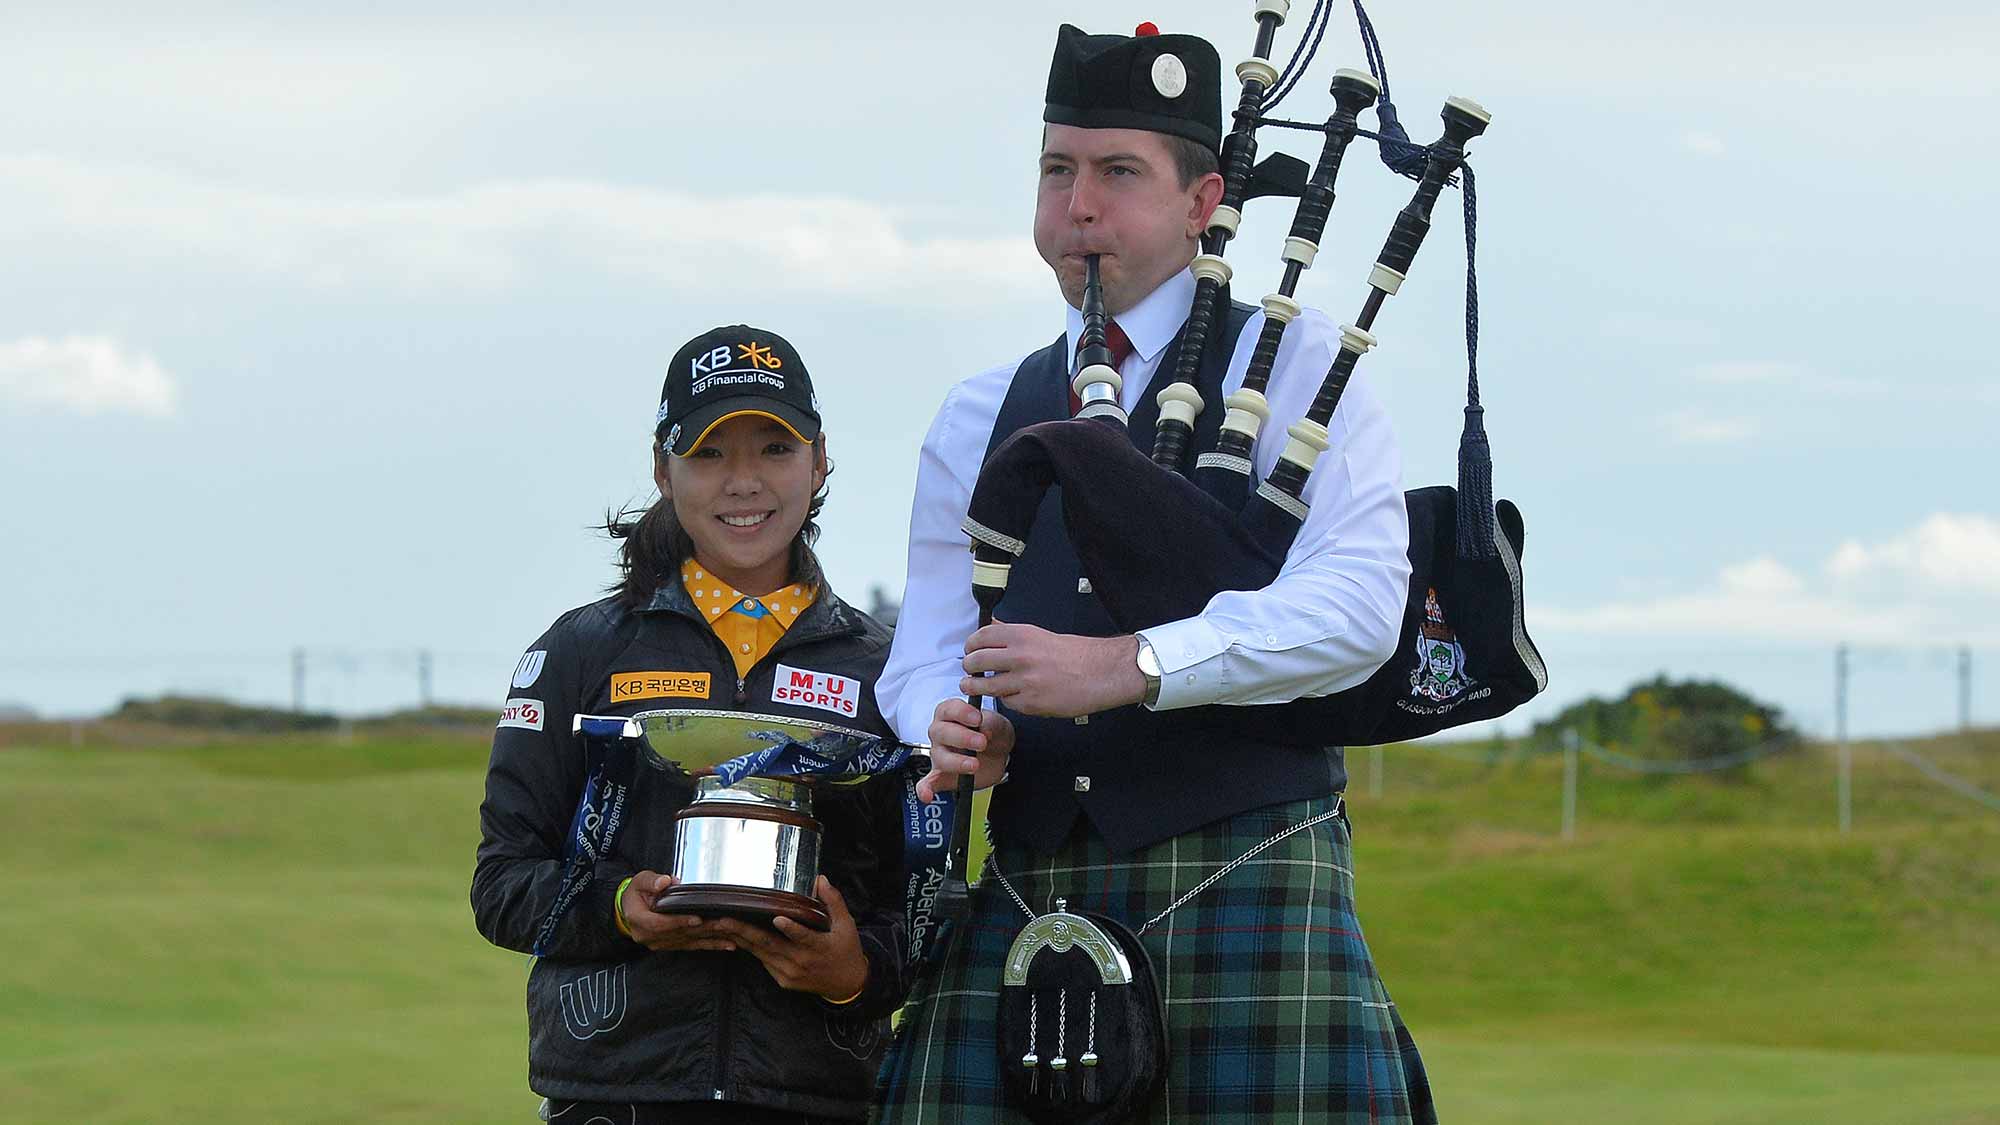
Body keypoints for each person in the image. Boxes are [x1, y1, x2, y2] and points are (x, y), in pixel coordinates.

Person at [874, 23, 1436, 1124]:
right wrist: (939, 721)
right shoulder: (978, 411)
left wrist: (1128, 664)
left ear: (1201, 200)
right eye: (1056, 169)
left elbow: (1359, 612)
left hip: (1249, 876)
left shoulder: (1302, 366)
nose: (1078, 202)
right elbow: (927, 647)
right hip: (1023, 886)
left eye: (1118, 171)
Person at [471, 325, 910, 1124]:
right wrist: (616, 907)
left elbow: (924, 907)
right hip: (615, 1095)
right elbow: (501, 885)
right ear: (661, 469)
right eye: (710, 453)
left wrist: (851, 969)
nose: (744, 482)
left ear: (819, 461)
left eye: (774, 448)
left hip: (820, 1098)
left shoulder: (893, 670)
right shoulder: (578, 651)